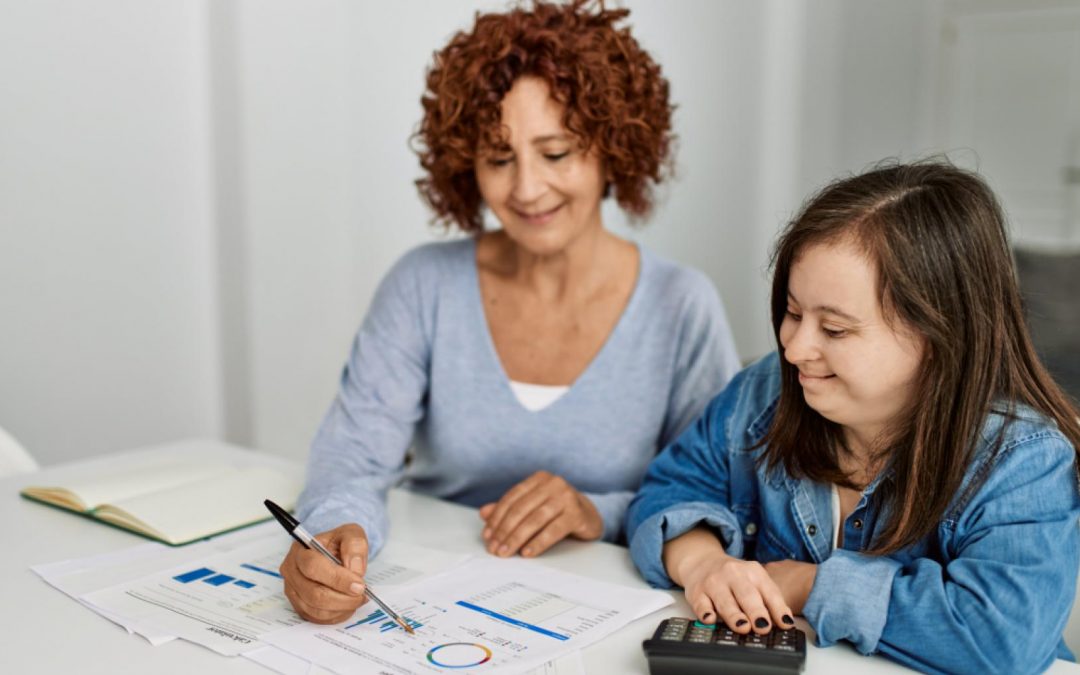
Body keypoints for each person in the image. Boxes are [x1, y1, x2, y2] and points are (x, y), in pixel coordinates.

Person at [279, 0, 740, 624]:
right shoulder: (423, 285)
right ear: (465, 165)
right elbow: (353, 458)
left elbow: (711, 495)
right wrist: (333, 532)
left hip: (607, 613)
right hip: (427, 599)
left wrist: (592, 512)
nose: (525, 189)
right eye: (499, 158)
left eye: (556, 154)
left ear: (613, 148)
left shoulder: (681, 306)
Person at [626, 161, 1080, 673]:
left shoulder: (1025, 463)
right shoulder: (762, 394)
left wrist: (807, 585)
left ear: (937, 337)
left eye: (835, 330)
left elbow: (999, 638)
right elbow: (669, 488)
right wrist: (702, 561)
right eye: (794, 313)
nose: (795, 349)